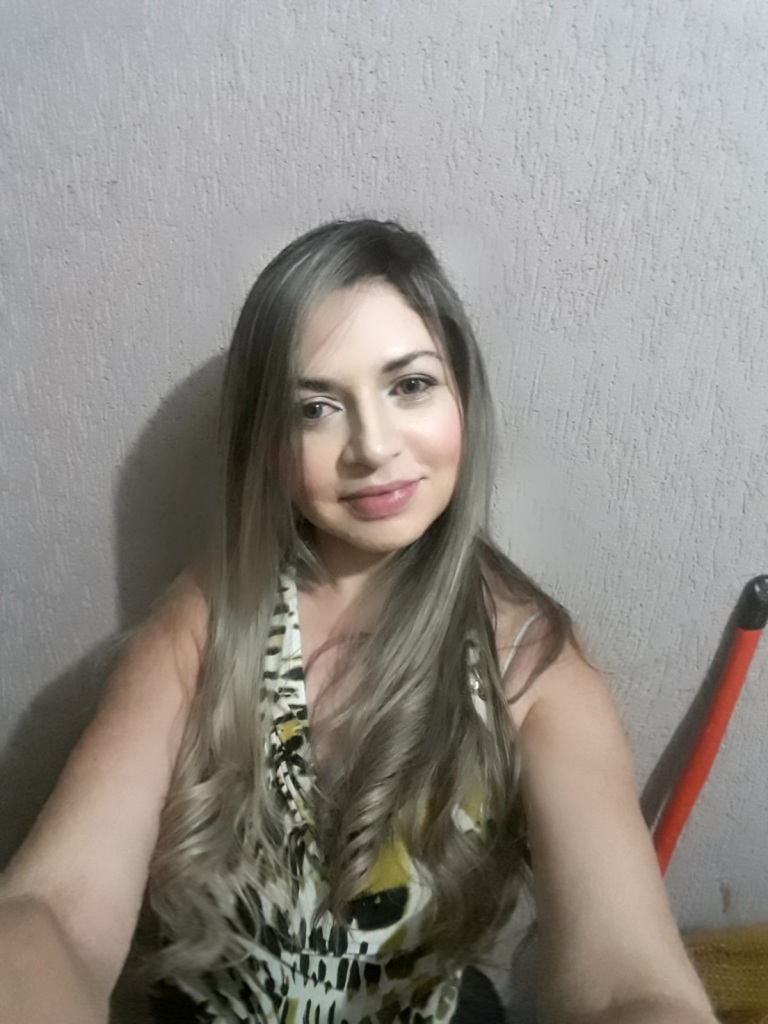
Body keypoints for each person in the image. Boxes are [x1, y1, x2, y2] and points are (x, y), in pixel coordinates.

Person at [0, 219, 715, 1024]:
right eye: (315, 407)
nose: (372, 448)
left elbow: (627, 978)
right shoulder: (211, 617)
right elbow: (56, 908)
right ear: (271, 446)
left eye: (409, 385)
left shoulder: (527, 660)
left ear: (463, 396)